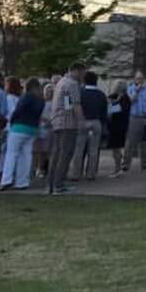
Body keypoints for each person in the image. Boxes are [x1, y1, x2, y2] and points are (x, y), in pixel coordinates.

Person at [0, 77, 45, 190]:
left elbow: (18, 110)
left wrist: (12, 120)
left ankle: (6, 180)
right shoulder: (40, 100)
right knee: (26, 155)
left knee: (12, 154)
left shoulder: (26, 97)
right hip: (32, 129)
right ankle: (22, 182)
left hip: (18, 127)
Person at [46, 64, 85, 195]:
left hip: (57, 121)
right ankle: (59, 184)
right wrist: (81, 121)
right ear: (76, 71)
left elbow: (67, 103)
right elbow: (75, 104)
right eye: (82, 73)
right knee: (66, 154)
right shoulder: (72, 84)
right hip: (67, 124)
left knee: (56, 153)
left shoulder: (61, 82)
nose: (82, 76)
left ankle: (51, 184)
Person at [73, 71, 108, 181]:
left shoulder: (80, 92)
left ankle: (76, 174)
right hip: (96, 122)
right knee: (93, 150)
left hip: (82, 121)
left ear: (84, 80)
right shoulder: (101, 95)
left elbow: (72, 106)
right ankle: (91, 174)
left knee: (79, 149)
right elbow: (104, 112)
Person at [122, 72, 146, 172]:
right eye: (138, 78)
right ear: (134, 79)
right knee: (130, 141)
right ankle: (126, 163)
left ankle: (145, 162)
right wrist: (137, 90)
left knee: (145, 141)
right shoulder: (130, 88)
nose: (140, 80)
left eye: (142, 78)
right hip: (134, 117)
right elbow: (131, 100)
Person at [106, 81, 131, 176]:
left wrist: (112, 104)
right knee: (115, 149)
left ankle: (118, 169)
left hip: (119, 126)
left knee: (116, 148)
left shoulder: (125, 99)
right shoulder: (116, 97)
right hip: (115, 125)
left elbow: (116, 110)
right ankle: (118, 167)